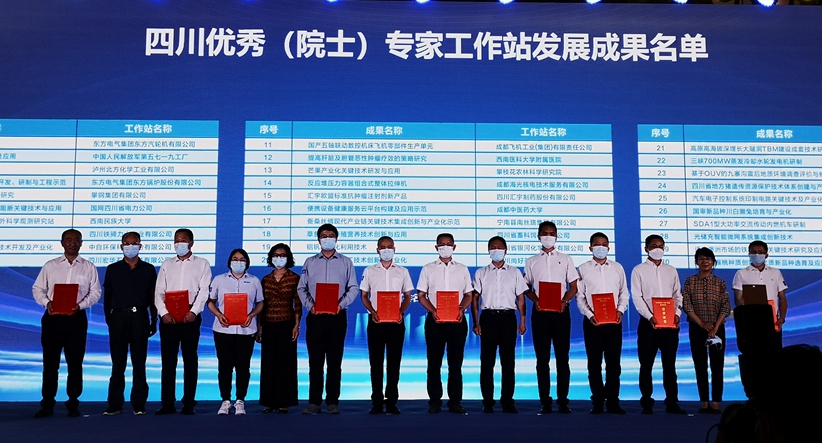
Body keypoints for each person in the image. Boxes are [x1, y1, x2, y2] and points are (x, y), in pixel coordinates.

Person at [32, 229, 101, 418]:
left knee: (75, 363)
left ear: (81, 243)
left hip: (76, 319)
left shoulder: (88, 267)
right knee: (50, 364)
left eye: (76, 240)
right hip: (53, 318)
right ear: (62, 243)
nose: (72, 243)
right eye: (68, 240)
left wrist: (80, 305)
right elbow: (38, 289)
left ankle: (73, 404)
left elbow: (95, 292)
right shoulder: (50, 265)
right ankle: (47, 404)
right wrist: (47, 302)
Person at [297, 223, 359, 415]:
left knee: (334, 362)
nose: (327, 238)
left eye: (331, 235)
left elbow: (353, 288)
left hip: (337, 316)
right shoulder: (309, 262)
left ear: (336, 239)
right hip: (316, 317)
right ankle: (314, 402)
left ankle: (333, 402)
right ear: (318, 240)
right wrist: (311, 306)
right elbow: (301, 288)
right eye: (324, 235)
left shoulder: (346, 262)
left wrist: (340, 305)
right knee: (315, 362)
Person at [153, 228, 212, 415]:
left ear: (191, 243)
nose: (179, 243)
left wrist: (194, 311)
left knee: (190, 360)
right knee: (168, 361)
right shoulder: (166, 264)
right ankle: (167, 403)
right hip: (168, 317)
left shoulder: (202, 264)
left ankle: (188, 403)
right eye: (176, 240)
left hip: (190, 316)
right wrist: (163, 313)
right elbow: (158, 292)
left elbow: (204, 291)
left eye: (183, 240)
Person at [523, 220, 579, 414]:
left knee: (563, 359)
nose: (549, 236)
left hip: (561, 313)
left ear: (556, 236)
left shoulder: (566, 259)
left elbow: (574, 286)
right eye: (545, 233)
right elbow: (526, 287)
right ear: (539, 236)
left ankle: (563, 401)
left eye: (552, 233)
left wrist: (565, 301)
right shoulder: (532, 261)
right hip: (540, 314)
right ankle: (545, 402)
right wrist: (535, 300)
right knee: (542, 360)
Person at [417, 232, 474, 414]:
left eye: (449, 244)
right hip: (435, 322)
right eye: (442, 244)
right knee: (434, 363)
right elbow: (421, 295)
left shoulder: (462, 269)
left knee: (455, 364)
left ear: (454, 247)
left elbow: (469, 295)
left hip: (457, 321)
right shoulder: (428, 268)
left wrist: (461, 309)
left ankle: (455, 402)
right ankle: (435, 401)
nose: (445, 247)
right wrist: (433, 311)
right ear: (436, 248)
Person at [102, 231, 157, 416]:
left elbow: (152, 296)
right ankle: (115, 404)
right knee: (118, 363)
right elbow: (107, 297)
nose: (130, 246)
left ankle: (139, 404)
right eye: (127, 243)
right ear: (121, 246)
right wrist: (109, 319)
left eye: (134, 243)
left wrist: (154, 319)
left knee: (139, 363)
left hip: (140, 317)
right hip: (118, 317)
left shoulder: (149, 269)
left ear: (140, 246)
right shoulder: (112, 269)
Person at [470, 236, 527, 414]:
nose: (497, 250)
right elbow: (475, 298)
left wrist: (522, 321)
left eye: (500, 247)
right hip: (488, 318)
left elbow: (521, 298)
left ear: (506, 250)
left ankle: (507, 401)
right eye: (493, 247)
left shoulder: (515, 272)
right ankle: (488, 402)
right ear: (489, 251)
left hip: (508, 318)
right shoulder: (481, 273)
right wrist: (476, 322)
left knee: (508, 362)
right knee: (487, 362)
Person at [631, 234, 686, 415]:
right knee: (646, 365)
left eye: (661, 246)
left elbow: (678, 295)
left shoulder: (671, 270)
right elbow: (637, 297)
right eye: (654, 246)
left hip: (670, 324)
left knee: (669, 365)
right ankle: (647, 402)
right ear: (646, 249)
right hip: (649, 324)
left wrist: (677, 314)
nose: (658, 249)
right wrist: (649, 316)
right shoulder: (638, 270)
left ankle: (672, 402)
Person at [575, 232, 628, 415]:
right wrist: (590, 314)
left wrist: (620, 310)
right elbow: (580, 297)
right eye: (597, 244)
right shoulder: (583, 269)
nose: (601, 247)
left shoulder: (617, 268)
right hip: (593, 323)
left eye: (604, 244)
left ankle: (613, 401)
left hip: (614, 322)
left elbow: (624, 293)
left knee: (614, 364)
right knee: (594, 364)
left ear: (609, 247)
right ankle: (597, 401)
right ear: (590, 248)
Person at [360, 236, 414, 415]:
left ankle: (391, 402)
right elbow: (364, 295)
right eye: (382, 247)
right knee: (375, 363)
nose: (386, 249)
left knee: (394, 363)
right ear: (377, 250)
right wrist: (372, 312)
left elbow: (408, 296)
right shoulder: (369, 271)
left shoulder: (402, 271)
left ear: (394, 249)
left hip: (396, 323)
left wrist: (401, 312)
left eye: (389, 246)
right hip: (376, 322)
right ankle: (377, 402)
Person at [207, 248, 264, 416]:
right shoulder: (219, 279)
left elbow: (260, 303)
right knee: (224, 366)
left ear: (247, 262)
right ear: (229, 261)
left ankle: (240, 400)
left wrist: (252, 315)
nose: (238, 262)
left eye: (242, 259)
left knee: (243, 367)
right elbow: (210, 301)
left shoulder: (254, 281)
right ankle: (225, 400)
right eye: (235, 259)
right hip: (223, 330)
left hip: (246, 330)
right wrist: (219, 314)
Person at [683, 247, 731, 415]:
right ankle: (704, 402)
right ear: (696, 262)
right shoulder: (689, 281)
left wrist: (716, 326)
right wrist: (702, 324)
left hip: (717, 329)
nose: (705, 262)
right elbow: (687, 305)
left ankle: (716, 402)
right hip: (697, 328)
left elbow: (725, 306)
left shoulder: (720, 283)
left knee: (717, 366)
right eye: (701, 259)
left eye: (708, 259)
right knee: (700, 365)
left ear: (713, 262)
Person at [258, 243, 302, 413]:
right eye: (276, 255)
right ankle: (269, 402)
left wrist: (297, 325)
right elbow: (261, 305)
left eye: (283, 255)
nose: (279, 258)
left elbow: (297, 304)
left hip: (287, 324)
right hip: (268, 324)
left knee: (286, 363)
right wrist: (259, 327)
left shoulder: (294, 278)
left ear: (288, 258)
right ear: (271, 258)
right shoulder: (266, 279)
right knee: (268, 363)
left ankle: (284, 402)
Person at [732, 240, 788, 345]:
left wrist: (782, 318)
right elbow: (738, 300)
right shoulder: (741, 273)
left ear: (766, 255)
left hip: (773, 319)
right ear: (749, 254)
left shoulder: (776, 272)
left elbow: (782, 298)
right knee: (753, 350)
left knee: (774, 350)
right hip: (751, 320)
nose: (757, 255)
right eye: (754, 252)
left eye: (760, 252)